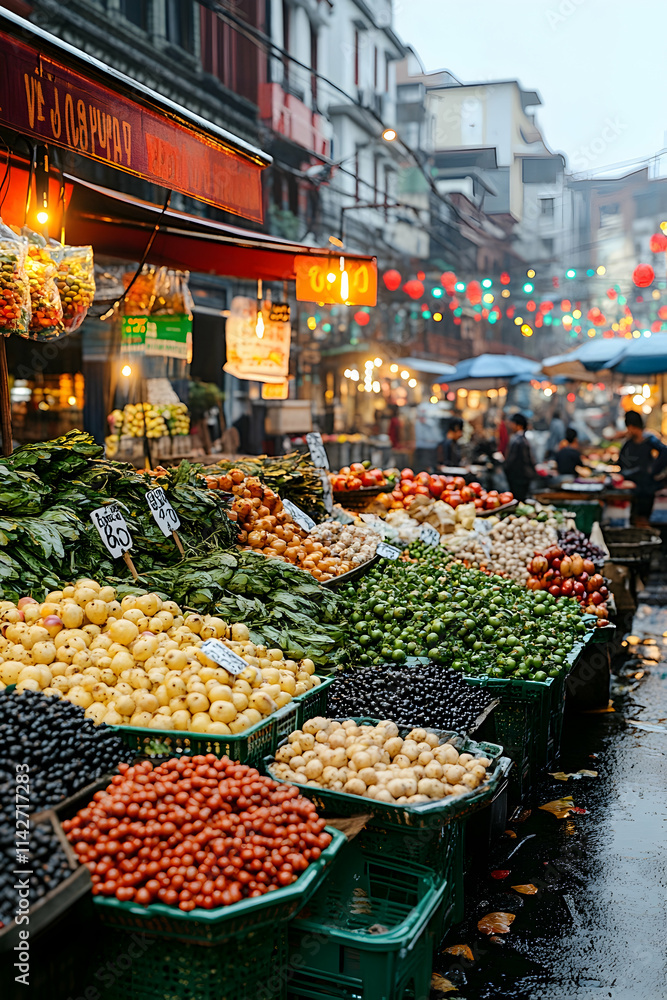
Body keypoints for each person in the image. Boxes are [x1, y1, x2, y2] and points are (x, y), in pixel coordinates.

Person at [619, 410, 667, 523]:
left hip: (646, 487)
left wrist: (653, 470)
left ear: (630, 426)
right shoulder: (630, 442)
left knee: (642, 518)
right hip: (635, 487)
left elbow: (665, 452)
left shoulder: (649, 439)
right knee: (635, 517)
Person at [504, 412, 536, 501]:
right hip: (523, 476)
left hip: (518, 477)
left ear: (519, 425)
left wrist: (506, 468)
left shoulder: (518, 440)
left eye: (512, 423)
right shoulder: (523, 439)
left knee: (518, 500)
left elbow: (512, 460)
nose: (510, 426)